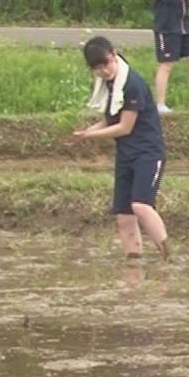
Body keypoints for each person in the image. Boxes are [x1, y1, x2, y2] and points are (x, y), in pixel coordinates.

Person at [72, 37, 170, 259]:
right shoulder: (110, 85)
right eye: (97, 68)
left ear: (114, 55)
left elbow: (124, 127)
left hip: (148, 152)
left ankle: (168, 257)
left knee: (141, 206)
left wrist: (89, 136)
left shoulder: (131, 84)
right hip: (126, 155)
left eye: (106, 64)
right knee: (124, 216)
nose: (104, 71)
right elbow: (110, 120)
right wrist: (85, 132)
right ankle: (133, 265)